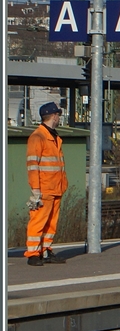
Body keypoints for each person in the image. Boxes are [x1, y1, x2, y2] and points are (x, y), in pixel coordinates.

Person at [26, 102, 68, 266]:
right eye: (58, 115)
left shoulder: (54, 137)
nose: (59, 118)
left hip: (55, 187)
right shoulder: (38, 137)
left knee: (51, 223)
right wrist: (36, 190)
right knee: (38, 221)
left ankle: (46, 249)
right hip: (44, 189)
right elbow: (32, 165)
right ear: (54, 116)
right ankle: (33, 254)